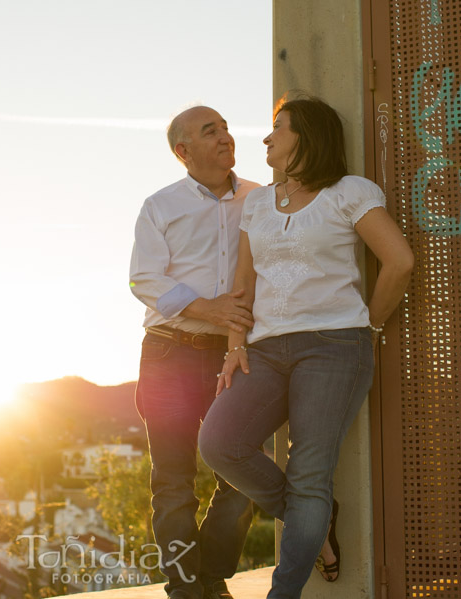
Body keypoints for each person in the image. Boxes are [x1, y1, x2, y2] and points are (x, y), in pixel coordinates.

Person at [198, 96, 414, 599]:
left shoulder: (349, 193)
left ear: (307, 137)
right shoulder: (257, 204)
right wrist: (235, 345)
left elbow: (399, 262)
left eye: (279, 128)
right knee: (219, 443)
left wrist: (369, 325)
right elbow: (243, 288)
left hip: (335, 346)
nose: (267, 138)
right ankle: (312, 520)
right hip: (266, 348)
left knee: (309, 472)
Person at [129, 106, 259, 599]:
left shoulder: (259, 199)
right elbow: (143, 279)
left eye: (225, 127)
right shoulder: (159, 206)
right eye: (211, 131)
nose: (225, 136)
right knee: (173, 481)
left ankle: (210, 577)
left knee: (245, 469)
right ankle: (186, 589)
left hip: (236, 353)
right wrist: (211, 309)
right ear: (183, 151)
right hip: (169, 354)